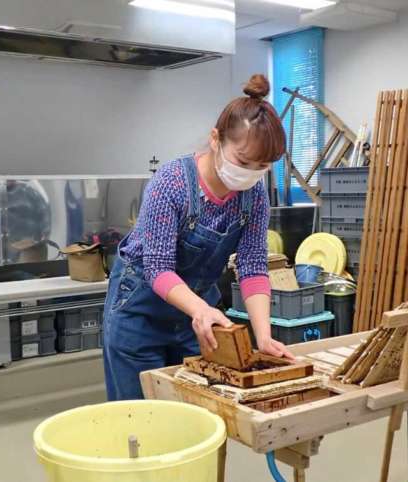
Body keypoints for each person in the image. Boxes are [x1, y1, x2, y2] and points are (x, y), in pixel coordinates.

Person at [103, 74, 294, 401]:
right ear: (216, 139)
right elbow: (158, 268)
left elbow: (252, 267)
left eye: (262, 167)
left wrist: (263, 336)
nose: (250, 173)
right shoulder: (172, 183)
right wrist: (200, 310)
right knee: (139, 423)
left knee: (191, 422)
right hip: (139, 313)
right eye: (243, 162)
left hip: (198, 322)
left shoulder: (254, 196)